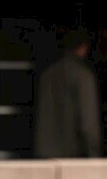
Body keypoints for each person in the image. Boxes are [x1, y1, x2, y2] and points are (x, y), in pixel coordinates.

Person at [34, 29, 102, 158]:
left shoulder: (47, 75)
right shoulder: (83, 76)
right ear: (83, 47)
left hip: (44, 156)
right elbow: (89, 123)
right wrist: (94, 155)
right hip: (71, 157)